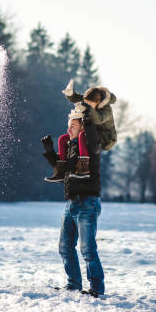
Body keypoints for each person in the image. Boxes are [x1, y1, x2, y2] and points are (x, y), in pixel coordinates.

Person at [41, 104, 105, 297]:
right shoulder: (70, 146)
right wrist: (50, 151)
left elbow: (93, 140)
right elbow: (61, 170)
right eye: (68, 125)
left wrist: (87, 120)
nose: (68, 129)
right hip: (71, 203)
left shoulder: (91, 146)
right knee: (65, 247)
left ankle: (96, 288)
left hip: (88, 203)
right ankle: (74, 284)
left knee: (87, 249)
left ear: (82, 128)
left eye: (73, 126)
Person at [44, 80, 117, 182]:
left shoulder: (106, 109)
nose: (88, 106)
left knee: (82, 135)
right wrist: (70, 94)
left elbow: (98, 119)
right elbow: (77, 98)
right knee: (63, 139)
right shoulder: (89, 102)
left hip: (106, 139)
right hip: (91, 133)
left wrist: (88, 109)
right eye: (86, 103)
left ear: (98, 102)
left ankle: (84, 169)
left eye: (90, 105)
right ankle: (61, 171)